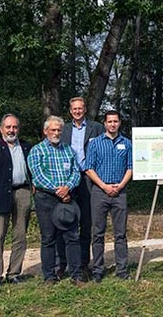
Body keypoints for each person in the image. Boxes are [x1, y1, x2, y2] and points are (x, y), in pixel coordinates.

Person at [27, 116, 84, 284]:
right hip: (46, 199)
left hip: (67, 198)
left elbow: (75, 172)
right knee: (48, 238)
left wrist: (67, 188)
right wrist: (58, 190)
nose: (56, 133)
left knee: (72, 236)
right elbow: (37, 175)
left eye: (59, 130)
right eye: (53, 130)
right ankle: (50, 276)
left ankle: (76, 274)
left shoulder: (68, 150)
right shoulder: (37, 150)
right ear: (46, 131)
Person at [0, 113, 33, 290]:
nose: (12, 130)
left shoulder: (26, 147)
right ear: (1, 129)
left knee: (20, 235)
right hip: (0, 196)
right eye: (8, 127)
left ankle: (14, 273)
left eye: (15, 127)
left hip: (23, 192)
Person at [57, 96, 104, 278]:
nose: (77, 111)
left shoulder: (96, 128)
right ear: (70, 111)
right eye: (74, 109)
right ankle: (62, 264)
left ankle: (84, 263)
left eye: (80, 108)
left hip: (88, 179)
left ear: (85, 110)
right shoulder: (64, 130)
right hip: (67, 179)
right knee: (64, 221)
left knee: (86, 222)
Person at [84, 110, 133, 282]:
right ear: (104, 124)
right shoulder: (95, 143)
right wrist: (104, 186)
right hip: (99, 191)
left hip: (120, 192)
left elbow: (130, 167)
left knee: (120, 233)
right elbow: (89, 168)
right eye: (109, 121)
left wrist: (120, 186)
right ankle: (98, 269)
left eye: (116, 121)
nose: (112, 124)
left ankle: (122, 269)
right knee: (97, 233)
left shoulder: (127, 144)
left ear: (120, 123)